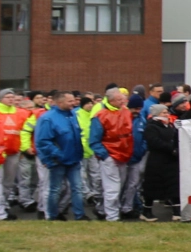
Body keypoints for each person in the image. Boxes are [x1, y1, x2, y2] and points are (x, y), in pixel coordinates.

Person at [87, 86, 140, 222]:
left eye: (123, 99)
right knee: (113, 188)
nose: (123, 101)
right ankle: (112, 216)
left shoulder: (125, 112)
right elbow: (94, 139)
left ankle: (105, 210)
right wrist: (105, 156)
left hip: (123, 155)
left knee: (118, 186)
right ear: (111, 100)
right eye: (119, 99)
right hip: (110, 155)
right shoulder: (100, 115)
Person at [35, 91, 86, 221]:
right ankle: (53, 216)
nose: (73, 103)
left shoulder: (72, 115)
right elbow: (43, 141)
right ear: (60, 102)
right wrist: (57, 155)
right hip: (58, 161)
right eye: (70, 101)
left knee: (77, 188)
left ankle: (79, 215)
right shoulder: (48, 118)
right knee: (55, 190)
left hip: (74, 159)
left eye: (73, 100)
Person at [139, 102, 182, 221]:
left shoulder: (171, 126)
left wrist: (176, 149)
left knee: (173, 185)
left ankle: (177, 211)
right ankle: (146, 211)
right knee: (152, 187)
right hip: (156, 161)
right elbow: (154, 141)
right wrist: (170, 148)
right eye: (164, 112)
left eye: (167, 112)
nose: (167, 114)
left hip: (170, 161)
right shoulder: (151, 127)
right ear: (157, 114)